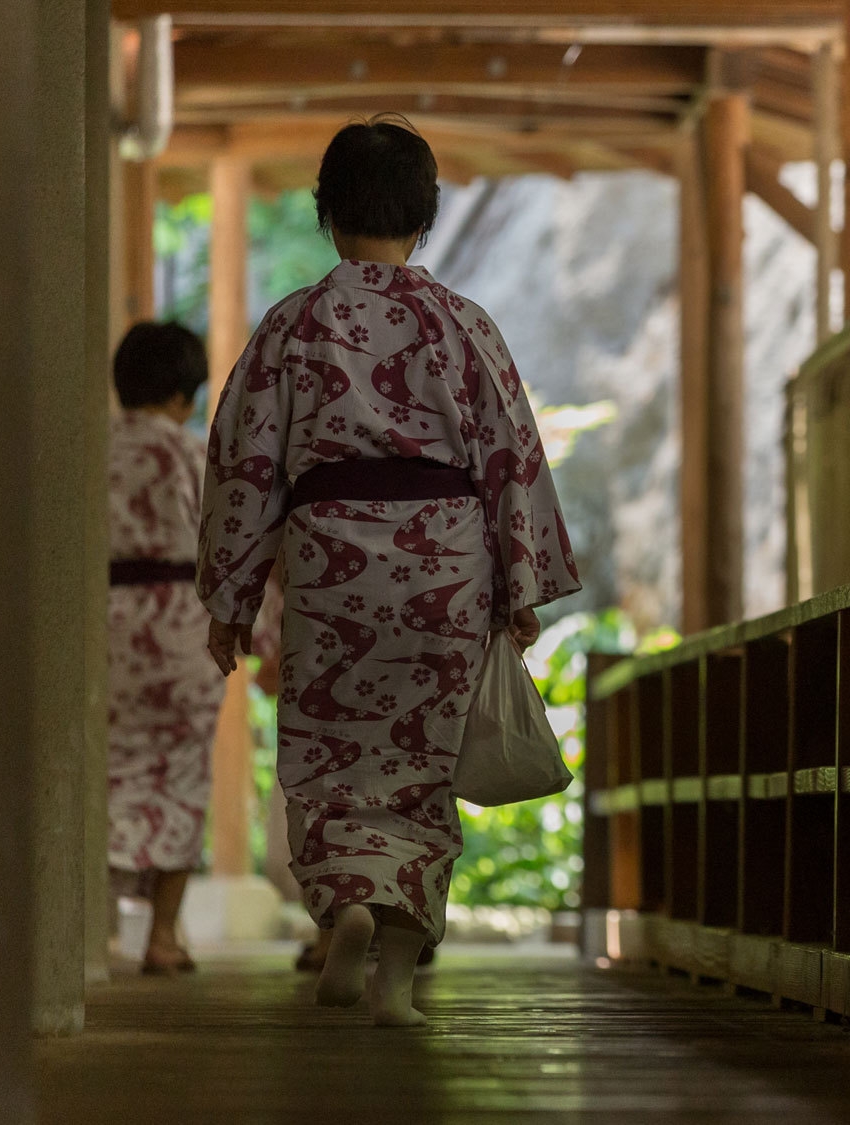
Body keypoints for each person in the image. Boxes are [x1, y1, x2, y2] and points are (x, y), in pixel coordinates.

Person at [197, 115, 580, 1027]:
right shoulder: (464, 323)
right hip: (444, 567)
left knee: (331, 758)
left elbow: (244, 464)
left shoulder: (294, 322)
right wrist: (519, 591)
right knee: (420, 766)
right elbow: (511, 455)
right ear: (428, 216)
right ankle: (398, 978)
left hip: (330, 566)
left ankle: (347, 909)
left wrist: (232, 595)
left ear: (326, 212)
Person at [106, 321, 228, 975]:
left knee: (97, 771)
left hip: (102, 627)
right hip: (181, 627)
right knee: (181, 776)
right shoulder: (191, 453)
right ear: (185, 395)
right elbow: (231, 546)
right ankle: (162, 936)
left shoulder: (86, 449)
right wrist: (259, 635)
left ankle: (82, 929)